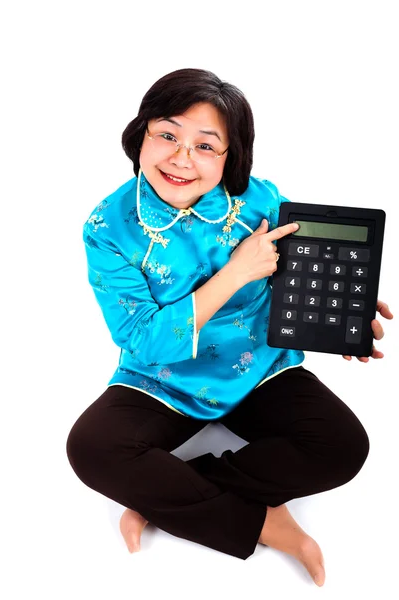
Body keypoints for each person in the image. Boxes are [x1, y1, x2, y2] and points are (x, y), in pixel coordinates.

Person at [66, 68, 393, 587]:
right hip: (162, 379)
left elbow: (293, 267)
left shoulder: (259, 201)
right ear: (141, 135)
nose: (180, 158)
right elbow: (143, 339)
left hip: (258, 366)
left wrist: (344, 305)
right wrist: (236, 271)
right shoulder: (107, 226)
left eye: (205, 146)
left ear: (230, 156)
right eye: (167, 135)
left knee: (344, 447)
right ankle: (266, 521)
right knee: (91, 449)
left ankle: (166, 500)